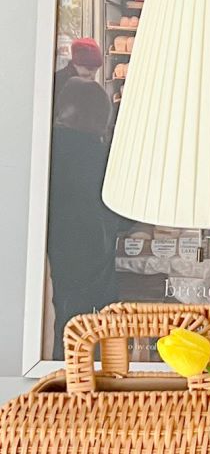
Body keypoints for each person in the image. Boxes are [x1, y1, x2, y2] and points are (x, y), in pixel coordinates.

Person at [47, 76, 120, 357]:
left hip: (55, 254)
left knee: (60, 329)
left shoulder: (47, 150)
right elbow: (121, 214)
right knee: (94, 334)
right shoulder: (100, 156)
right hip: (92, 257)